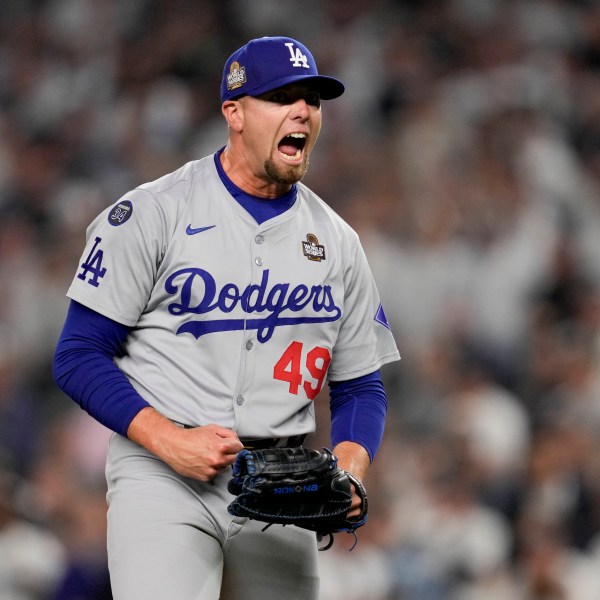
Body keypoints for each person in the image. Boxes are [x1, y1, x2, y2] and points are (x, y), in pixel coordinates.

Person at [53, 35, 400, 600]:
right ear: (234, 113)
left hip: (282, 488)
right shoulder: (153, 213)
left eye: (312, 99)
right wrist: (166, 439)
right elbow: (78, 354)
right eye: (281, 97)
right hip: (162, 475)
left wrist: (350, 467)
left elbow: (361, 385)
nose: (303, 112)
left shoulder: (338, 243)